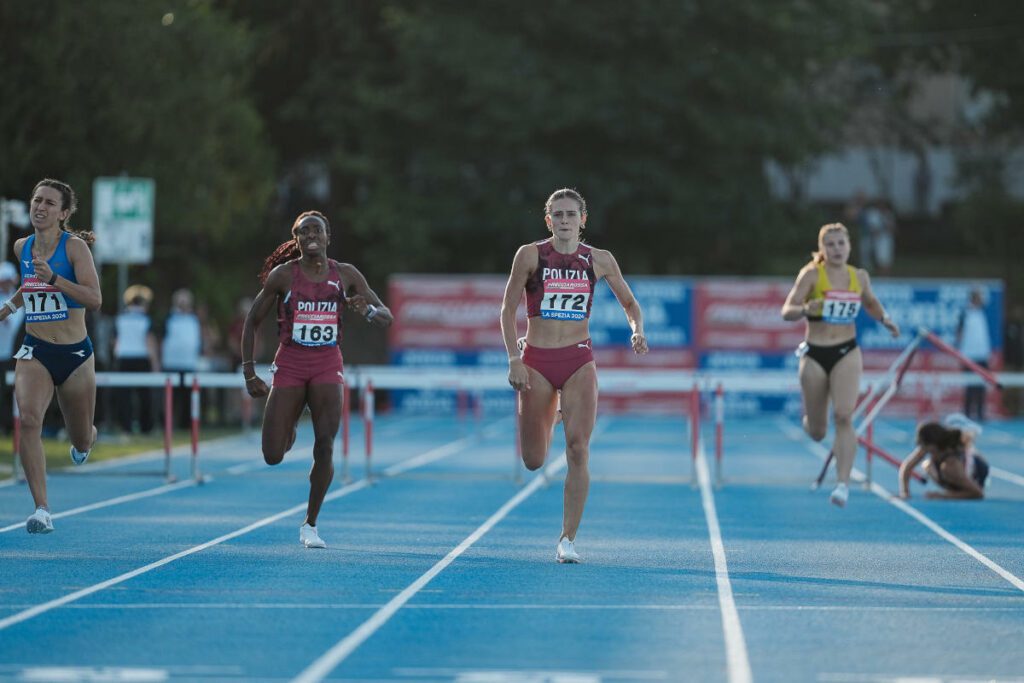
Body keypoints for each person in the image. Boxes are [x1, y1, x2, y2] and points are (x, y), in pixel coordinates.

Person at [500, 188, 647, 563]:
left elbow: (630, 303)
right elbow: (507, 310)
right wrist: (514, 358)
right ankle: (552, 412)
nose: (565, 221)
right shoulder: (530, 255)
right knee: (534, 460)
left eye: (571, 214)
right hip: (536, 361)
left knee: (578, 448)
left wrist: (637, 328)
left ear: (584, 220)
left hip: (579, 359)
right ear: (548, 221)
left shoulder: (598, 259)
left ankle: (568, 539)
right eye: (558, 215)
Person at [240, 210, 392, 549]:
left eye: (317, 230)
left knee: (325, 445)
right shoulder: (284, 276)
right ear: (296, 240)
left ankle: (310, 523)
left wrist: (365, 310)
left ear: (327, 237)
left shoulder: (346, 274)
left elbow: (386, 317)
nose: (311, 235)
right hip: (291, 363)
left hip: (327, 365)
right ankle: (291, 422)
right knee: (272, 455)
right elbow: (252, 321)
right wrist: (249, 371)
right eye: (303, 231)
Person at [0, 179, 102, 533]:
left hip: (75, 355)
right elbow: (30, 285)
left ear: (63, 213)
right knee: (28, 420)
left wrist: (56, 277)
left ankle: (87, 434)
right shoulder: (21, 246)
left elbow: (94, 299)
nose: (39, 207)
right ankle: (41, 509)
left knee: (80, 440)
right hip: (36, 349)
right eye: (36, 200)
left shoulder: (74, 249)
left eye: (48, 203)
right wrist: (11, 306)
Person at [781, 222, 900, 508]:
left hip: (847, 351)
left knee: (845, 416)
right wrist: (805, 310)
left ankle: (843, 484)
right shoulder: (812, 275)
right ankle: (810, 419)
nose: (836, 249)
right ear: (822, 249)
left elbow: (870, 303)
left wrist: (884, 319)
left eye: (841, 243)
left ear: (849, 246)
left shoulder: (859, 276)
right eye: (830, 244)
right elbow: (787, 311)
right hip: (815, 354)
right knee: (819, 431)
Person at [898, 419, 988, 500]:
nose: (920, 448)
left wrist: (944, 496)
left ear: (931, 446)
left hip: (976, 475)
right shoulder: (930, 447)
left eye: (922, 444)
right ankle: (955, 489)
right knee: (927, 465)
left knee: (941, 469)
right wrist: (905, 492)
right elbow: (907, 467)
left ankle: (958, 489)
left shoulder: (951, 465)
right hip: (957, 468)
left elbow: (978, 493)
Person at [113, 284, 160, 434]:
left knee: (123, 396)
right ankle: (146, 427)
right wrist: (155, 364)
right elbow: (150, 342)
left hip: (123, 358)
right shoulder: (146, 319)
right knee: (145, 395)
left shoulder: (120, 318)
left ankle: (125, 427)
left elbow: (114, 342)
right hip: (141, 359)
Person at [161, 288, 202, 429]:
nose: (184, 303)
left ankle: (186, 425)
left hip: (189, 364)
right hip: (171, 363)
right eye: (181, 300)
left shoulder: (194, 319)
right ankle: (167, 424)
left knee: (187, 398)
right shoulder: (169, 318)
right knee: (170, 397)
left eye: (186, 300)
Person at [955, 287, 992, 422]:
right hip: (969, 355)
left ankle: (980, 414)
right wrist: (960, 353)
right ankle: (967, 414)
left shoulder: (982, 313)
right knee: (970, 386)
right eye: (980, 297)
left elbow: (983, 336)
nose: (982, 300)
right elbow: (959, 333)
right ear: (974, 298)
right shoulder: (965, 313)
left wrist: (987, 353)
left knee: (981, 386)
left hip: (982, 355)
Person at [0, 262, 25, 434]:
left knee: (11, 393)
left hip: (10, 356)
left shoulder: (19, 301)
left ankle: (8, 426)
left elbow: (13, 326)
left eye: (7, 280)